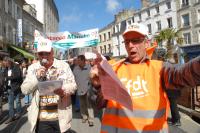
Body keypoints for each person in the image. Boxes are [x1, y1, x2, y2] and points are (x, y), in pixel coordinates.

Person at [90, 23, 200, 133]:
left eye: (136, 40)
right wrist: (97, 85)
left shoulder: (159, 68)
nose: (130, 45)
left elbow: (184, 74)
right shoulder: (112, 67)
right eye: (127, 41)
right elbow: (98, 104)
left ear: (146, 43)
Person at [21, 38, 77, 133]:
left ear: (52, 52)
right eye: (41, 53)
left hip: (61, 116)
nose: (44, 56)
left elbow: (73, 85)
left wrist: (63, 91)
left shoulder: (63, 65)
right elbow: (24, 90)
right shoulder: (32, 68)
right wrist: (36, 78)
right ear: (37, 54)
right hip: (42, 119)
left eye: (47, 53)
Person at [73, 55, 94, 126]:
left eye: (79, 60)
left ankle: (90, 119)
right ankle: (84, 117)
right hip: (79, 89)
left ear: (83, 60)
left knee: (89, 105)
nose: (77, 62)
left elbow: (92, 77)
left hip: (88, 89)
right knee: (82, 104)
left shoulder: (89, 67)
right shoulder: (76, 68)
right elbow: (73, 78)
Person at [3, 57, 23, 124]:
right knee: (10, 103)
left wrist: (7, 78)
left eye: (5, 63)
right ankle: (11, 117)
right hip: (9, 88)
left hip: (16, 87)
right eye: (4, 63)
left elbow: (18, 76)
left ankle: (18, 114)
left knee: (18, 102)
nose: (4, 65)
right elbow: (4, 76)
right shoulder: (5, 69)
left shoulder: (16, 67)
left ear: (8, 62)